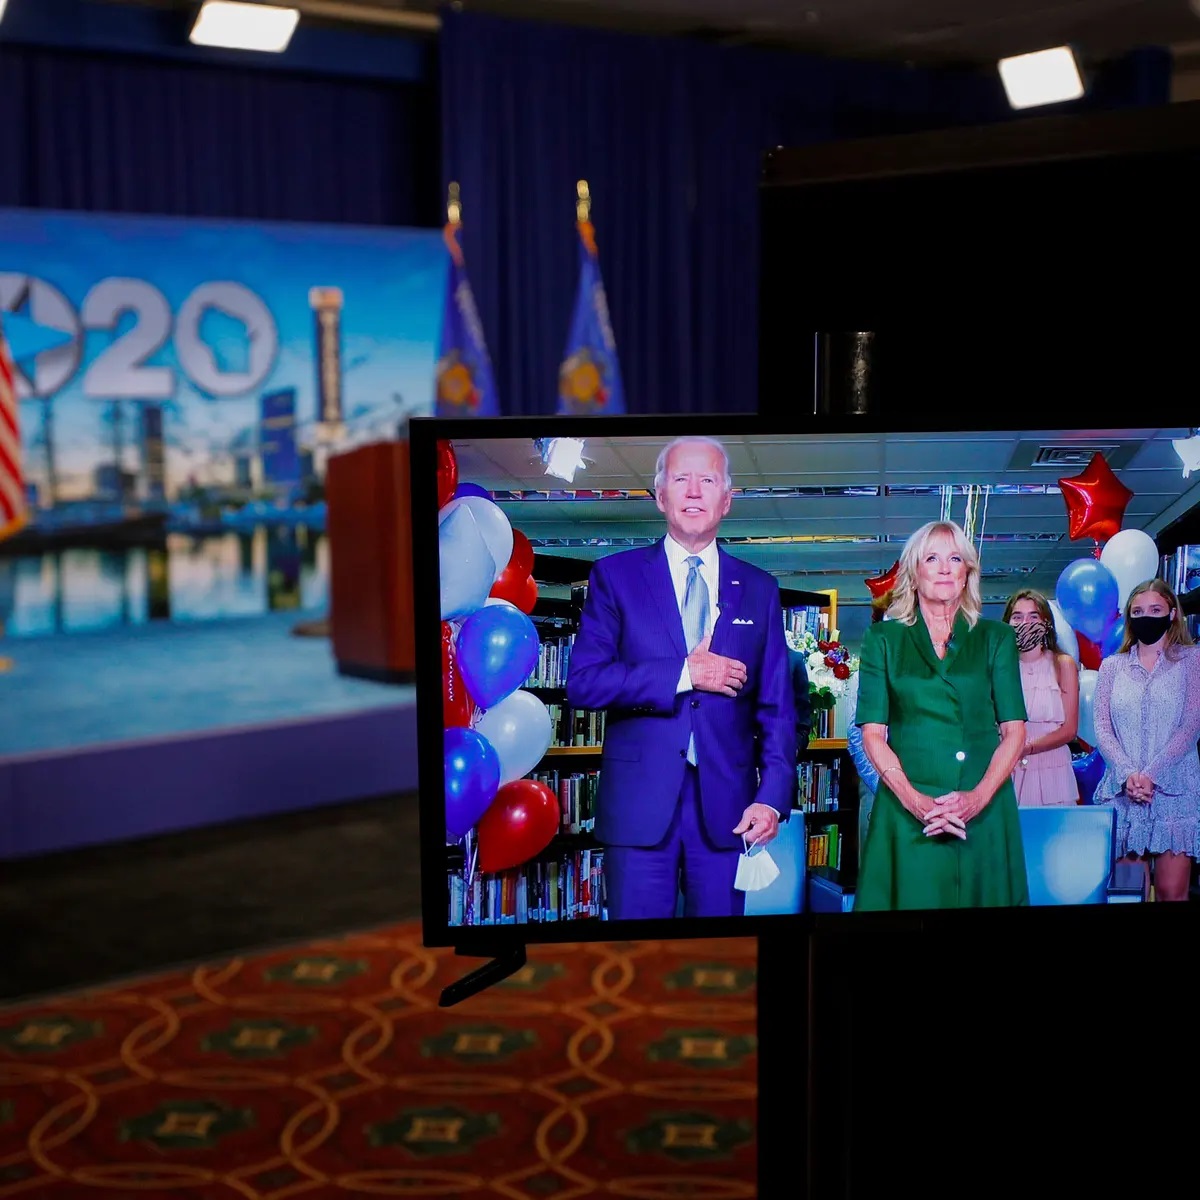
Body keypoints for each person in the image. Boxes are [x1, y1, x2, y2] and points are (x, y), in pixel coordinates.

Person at [566, 435, 795, 921]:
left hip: (730, 811)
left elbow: (777, 709)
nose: (693, 491)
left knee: (719, 954)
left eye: (707, 480)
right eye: (680, 479)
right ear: (660, 495)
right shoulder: (615, 577)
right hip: (639, 805)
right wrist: (685, 673)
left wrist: (772, 799)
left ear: (727, 499)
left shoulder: (759, 589)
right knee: (638, 952)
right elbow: (585, 682)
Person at [854, 520, 1029, 910]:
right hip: (907, 809)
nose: (945, 568)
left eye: (955, 559)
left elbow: (1015, 732)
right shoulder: (882, 640)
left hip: (983, 809)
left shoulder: (997, 638)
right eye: (932, 558)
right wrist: (915, 801)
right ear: (914, 573)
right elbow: (873, 735)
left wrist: (977, 798)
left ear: (967, 573)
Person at [1091, 578, 1200, 902]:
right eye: (1137, 611)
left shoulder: (1192, 661)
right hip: (1124, 794)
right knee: (1127, 893)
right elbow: (1102, 727)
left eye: (1155, 610)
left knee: (1171, 893)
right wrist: (1129, 775)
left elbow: (1191, 725)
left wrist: (1150, 775)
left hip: (1175, 792)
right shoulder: (1111, 667)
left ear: (1172, 614)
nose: (1146, 617)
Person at [1002, 588, 1080, 806]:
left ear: (1046, 623)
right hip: (1007, 768)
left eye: (1033, 616)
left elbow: (1069, 730)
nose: (1025, 623)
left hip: (1053, 771)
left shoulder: (1063, 665)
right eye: (1017, 617)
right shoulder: (998, 667)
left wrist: (1028, 748)